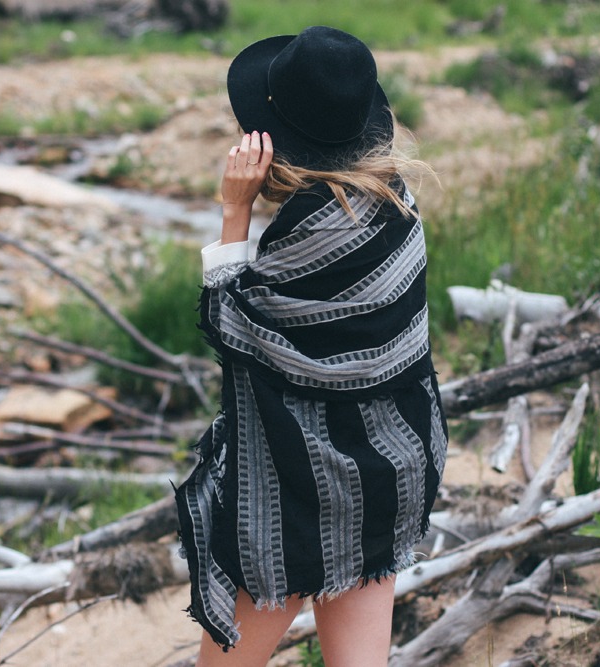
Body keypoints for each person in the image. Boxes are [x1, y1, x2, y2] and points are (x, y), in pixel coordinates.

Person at [174, 25, 448, 667]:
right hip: (389, 472)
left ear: (271, 137)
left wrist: (234, 211)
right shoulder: (397, 207)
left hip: (301, 498)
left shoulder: (303, 237)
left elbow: (233, 330)